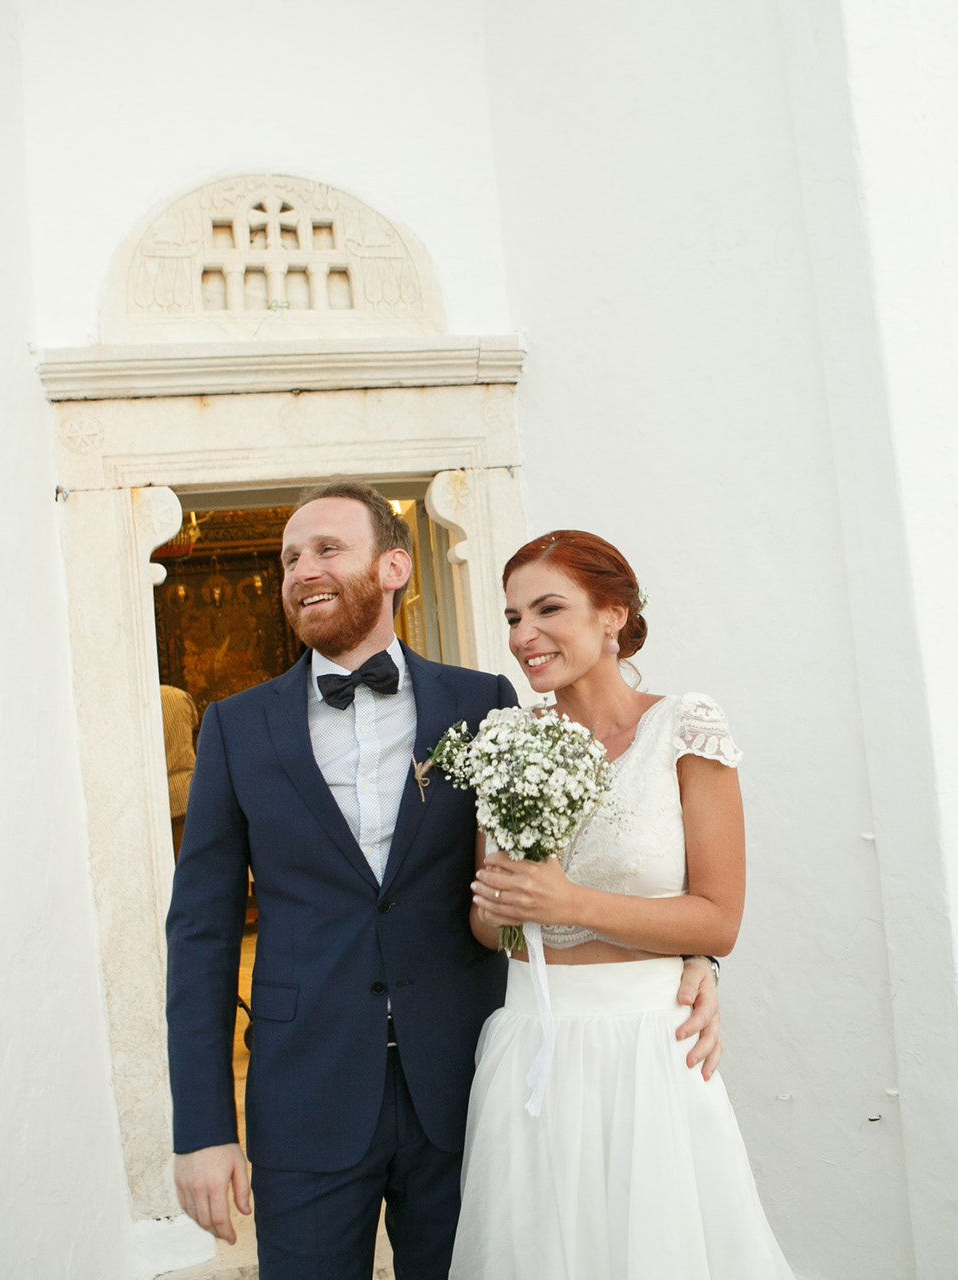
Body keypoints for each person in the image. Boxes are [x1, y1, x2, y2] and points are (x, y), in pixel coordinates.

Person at [164, 485, 724, 1280]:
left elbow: (589, 859)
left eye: (326, 549)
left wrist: (696, 959)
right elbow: (201, 933)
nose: (301, 569)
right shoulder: (233, 727)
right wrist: (202, 1126)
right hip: (304, 1097)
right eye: (289, 557)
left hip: (467, 1091)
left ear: (394, 566)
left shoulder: (485, 705)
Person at [450, 530, 793, 1280]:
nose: (525, 635)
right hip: (532, 1046)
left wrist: (570, 901)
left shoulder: (683, 727)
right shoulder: (507, 740)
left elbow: (717, 920)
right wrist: (501, 908)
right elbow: (492, 926)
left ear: (613, 615)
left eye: (548, 609)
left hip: (651, 1051)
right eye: (512, 617)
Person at [160, 683, 198, 856]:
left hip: (160, 800)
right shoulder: (179, 695)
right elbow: (194, 723)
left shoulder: (136, 705)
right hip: (187, 793)